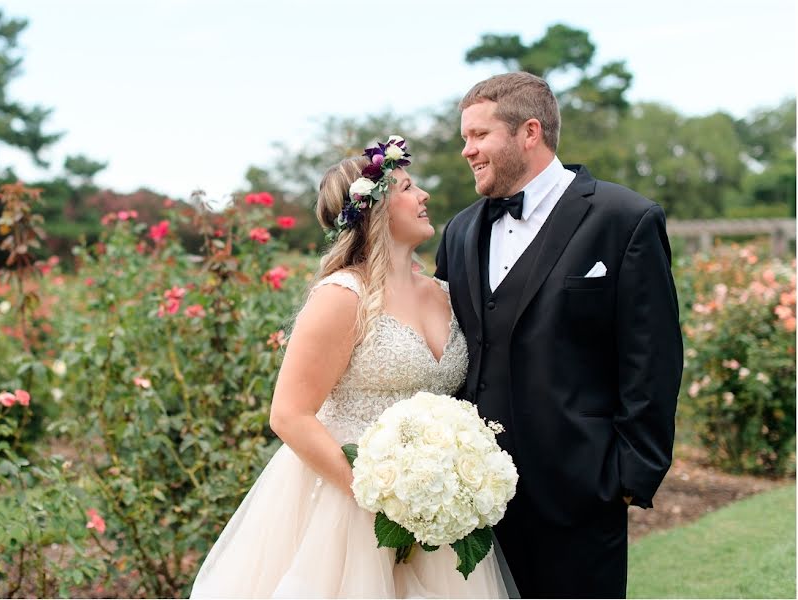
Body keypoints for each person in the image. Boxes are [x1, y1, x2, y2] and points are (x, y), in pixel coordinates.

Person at [190, 137, 515, 598]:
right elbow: (289, 415)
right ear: (373, 209)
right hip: (350, 506)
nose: (422, 196)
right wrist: (380, 502)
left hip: (432, 503)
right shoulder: (343, 296)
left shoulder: (444, 292)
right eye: (405, 188)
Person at [435, 72, 683, 598]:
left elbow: (652, 360)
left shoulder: (624, 219)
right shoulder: (459, 231)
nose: (467, 151)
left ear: (529, 132)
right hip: (471, 504)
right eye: (465, 138)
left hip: (580, 497)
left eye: (478, 136)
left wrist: (627, 478)